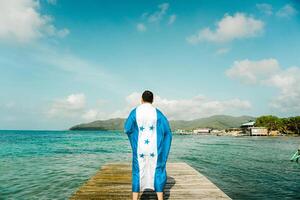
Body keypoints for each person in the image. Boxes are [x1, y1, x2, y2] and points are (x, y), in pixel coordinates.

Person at [124, 90, 172, 200]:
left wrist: (135, 137)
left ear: (141, 99)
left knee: (137, 171)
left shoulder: (135, 111)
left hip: (140, 148)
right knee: (157, 170)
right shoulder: (158, 113)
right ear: (153, 100)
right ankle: (160, 198)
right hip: (155, 148)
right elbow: (167, 131)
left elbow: (127, 128)